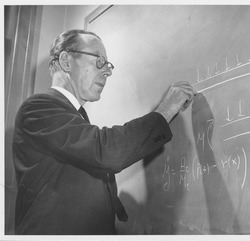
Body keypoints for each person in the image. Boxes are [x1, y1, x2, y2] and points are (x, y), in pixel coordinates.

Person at [12, 29, 196, 235]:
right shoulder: (38, 108)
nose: (107, 72)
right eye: (99, 61)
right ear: (66, 61)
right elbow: (105, 151)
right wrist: (166, 109)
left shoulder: (76, 117)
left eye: (108, 65)